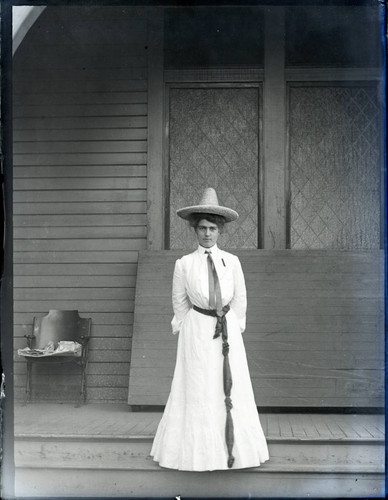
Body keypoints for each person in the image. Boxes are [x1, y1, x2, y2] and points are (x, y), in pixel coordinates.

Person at [151, 188, 269, 471]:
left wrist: (233, 327)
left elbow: (239, 299)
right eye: (202, 228)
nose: (207, 234)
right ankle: (196, 455)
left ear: (220, 230)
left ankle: (233, 453)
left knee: (229, 386)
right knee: (198, 386)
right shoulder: (184, 264)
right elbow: (179, 303)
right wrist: (188, 326)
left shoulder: (232, 262)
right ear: (195, 230)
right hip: (196, 332)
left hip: (226, 331)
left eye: (212, 228)